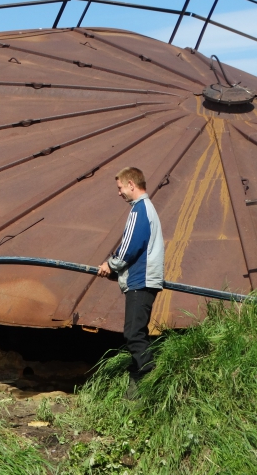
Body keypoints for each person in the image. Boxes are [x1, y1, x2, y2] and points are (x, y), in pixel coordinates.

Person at [97, 167, 164, 399]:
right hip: (144, 279)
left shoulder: (139, 210)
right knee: (136, 333)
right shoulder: (148, 209)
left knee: (133, 334)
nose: (119, 193)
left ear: (131, 185)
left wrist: (111, 264)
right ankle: (137, 389)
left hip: (140, 279)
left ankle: (151, 380)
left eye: (120, 188)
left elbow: (131, 246)